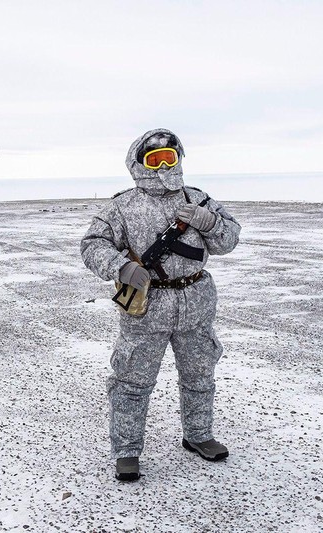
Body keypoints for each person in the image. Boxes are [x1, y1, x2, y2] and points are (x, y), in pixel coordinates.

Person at [80, 128, 241, 481]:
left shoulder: (198, 200)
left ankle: (199, 435)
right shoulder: (122, 207)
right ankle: (126, 451)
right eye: (154, 159)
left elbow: (229, 239)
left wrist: (210, 222)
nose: (163, 166)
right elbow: (92, 245)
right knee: (131, 381)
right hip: (146, 308)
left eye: (170, 158)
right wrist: (120, 267)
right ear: (138, 164)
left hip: (195, 302)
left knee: (200, 373)